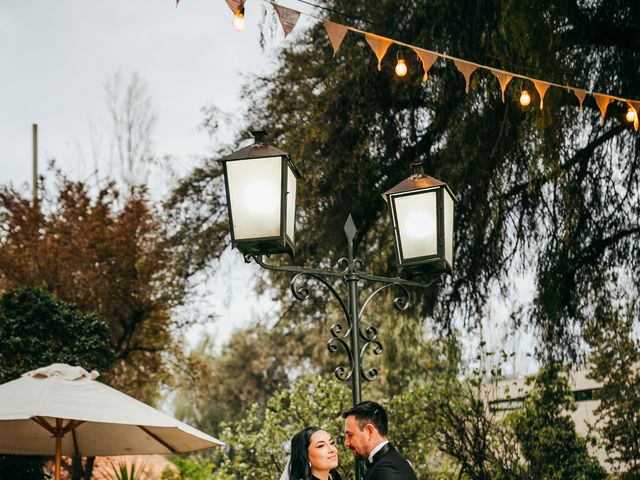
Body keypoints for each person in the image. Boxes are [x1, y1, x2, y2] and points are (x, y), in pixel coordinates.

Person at [342, 401, 417, 480]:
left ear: (369, 431)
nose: (346, 443)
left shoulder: (387, 469)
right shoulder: (389, 463)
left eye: (350, 435)